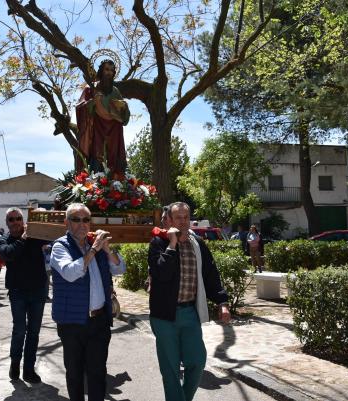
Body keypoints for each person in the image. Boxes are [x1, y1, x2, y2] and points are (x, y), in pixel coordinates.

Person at [148, 202, 231, 401]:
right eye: (178, 217)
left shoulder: (198, 243)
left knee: (197, 361)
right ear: (169, 220)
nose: (184, 221)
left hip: (189, 313)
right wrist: (172, 244)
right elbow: (162, 273)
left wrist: (223, 302)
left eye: (186, 217)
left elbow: (211, 275)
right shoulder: (158, 243)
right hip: (164, 316)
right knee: (171, 369)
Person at [50, 203, 126, 401]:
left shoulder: (98, 245)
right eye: (76, 219)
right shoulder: (60, 246)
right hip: (72, 321)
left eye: (86, 220)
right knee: (75, 373)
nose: (82, 224)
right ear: (67, 223)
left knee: (98, 373)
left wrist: (107, 249)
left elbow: (120, 269)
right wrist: (93, 249)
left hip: (99, 320)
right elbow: (70, 272)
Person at [0, 207, 49, 383]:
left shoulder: (34, 236)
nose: (15, 222)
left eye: (18, 218)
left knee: (34, 332)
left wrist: (45, 215)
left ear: (23, 219)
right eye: (11, 219)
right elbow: (9, 254)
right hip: (18, 292)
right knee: (19, 330)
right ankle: (15, 363)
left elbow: (52, 232)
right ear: (7, 223)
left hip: (38, 290)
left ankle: (29, 369)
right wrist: (24, 238)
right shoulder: (2, 240)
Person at [75, 59, 130, 175]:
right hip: (97, 127)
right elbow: (80, 107)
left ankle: (116, 180)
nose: (109, 73)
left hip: (114, 129)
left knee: (114, 156)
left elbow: (124, 115)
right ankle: (97, 181)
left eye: (111, 70)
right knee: (97, 154)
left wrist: (124, 106)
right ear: (101, 71)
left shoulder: (115, 91)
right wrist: (92, 102)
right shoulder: (90, 89)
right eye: (106, 69)